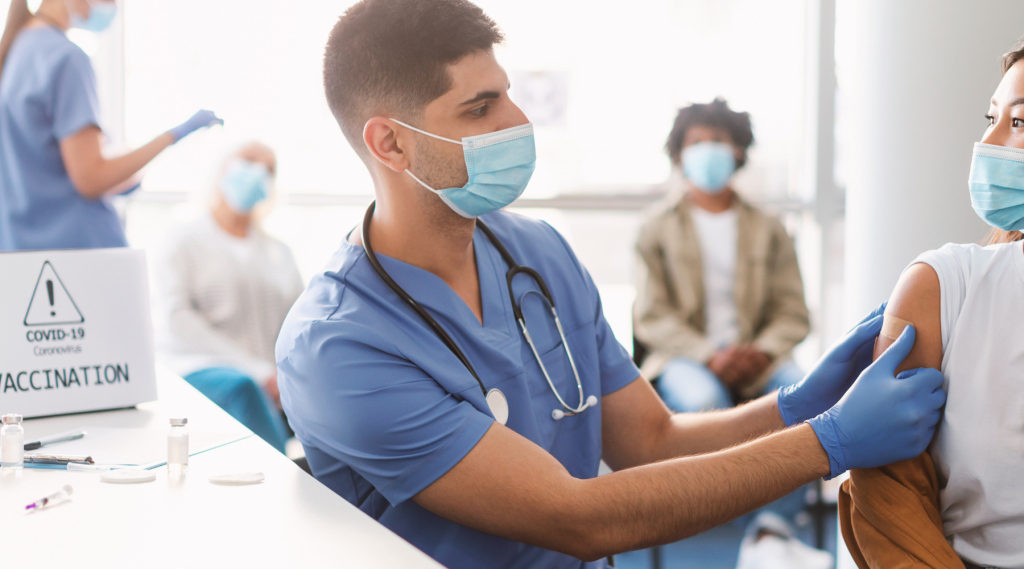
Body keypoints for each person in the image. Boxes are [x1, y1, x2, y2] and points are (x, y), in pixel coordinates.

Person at [275, 1, 947, 567]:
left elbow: (651, 440)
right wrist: (825, 440)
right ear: (390, 145)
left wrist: (793, 405)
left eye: (507, 94)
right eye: (480, 109)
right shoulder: (336, 345)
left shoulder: (536, 253)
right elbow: (577, 516)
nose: (517, 121)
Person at [840, 39, 1024, 569]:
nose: (988, 141)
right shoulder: (940, 285)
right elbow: (887, 488)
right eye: (992, 117)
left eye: (1019, 123)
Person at [0, 0, 221, 251]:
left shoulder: (15, 49)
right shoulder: (67, 58)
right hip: (79, 251)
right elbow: (91, 179)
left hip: (23, 251)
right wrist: (174, 135)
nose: (113, 6)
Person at [635, 99, 809, 415]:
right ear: (679, 155)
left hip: (761, 360)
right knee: (706, 403)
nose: (708, 151)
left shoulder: (770, 229)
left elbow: (793, 312)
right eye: (697, 143)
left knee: (805, 398)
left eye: (718, 142)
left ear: (738, 150)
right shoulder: (655, 228)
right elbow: (652, 315)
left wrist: (763, 352)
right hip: (683, 357)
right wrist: (709, 355)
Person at [152, 142, 301, 454]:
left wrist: (285, 374)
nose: (258, 173)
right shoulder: (183, 240)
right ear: (222, 166)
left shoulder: (279, 252)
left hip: (270, 378)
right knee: (242, 388)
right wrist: (256, 371)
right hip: (200, 367)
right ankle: (286, 488)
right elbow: (177, 319)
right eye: (248, 161)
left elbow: (299, 322)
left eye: (268, 169)